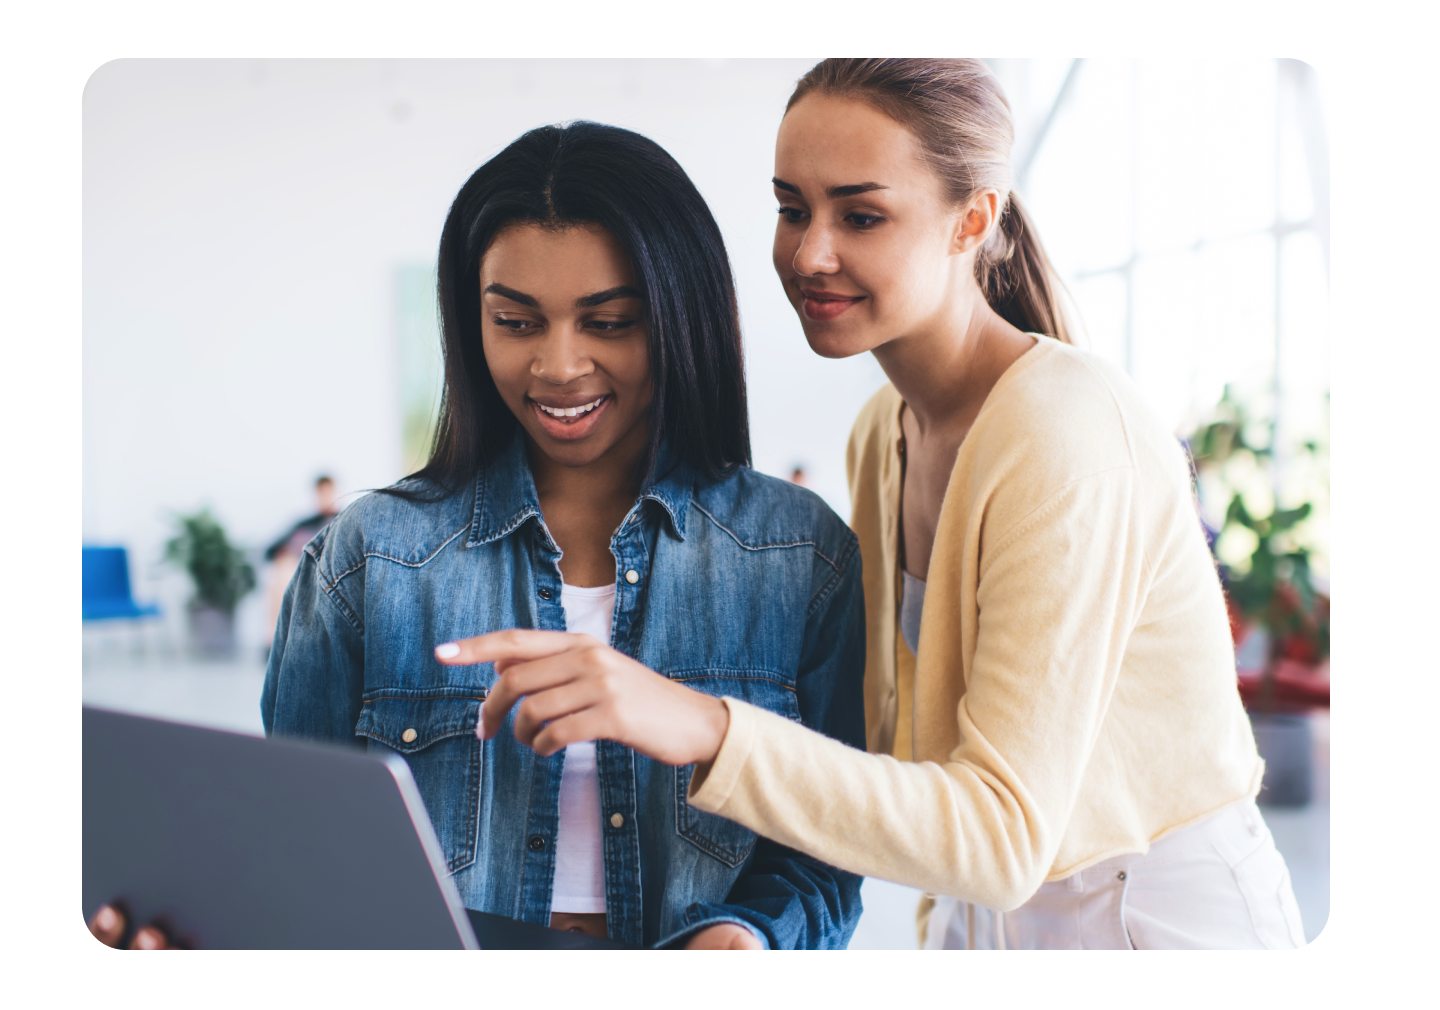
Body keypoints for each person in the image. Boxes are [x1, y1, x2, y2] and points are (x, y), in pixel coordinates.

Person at [461, 60, 1305, 950]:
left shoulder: (1068, 432)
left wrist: (701, 724)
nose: (809, 253)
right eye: (792, 209)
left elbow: (1003, 832)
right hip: (986, 917)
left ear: (971, 221)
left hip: (1155, 922)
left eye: (860, 216)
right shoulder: (886, 429)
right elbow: (905, 771)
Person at [261, 122, 864, 950]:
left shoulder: (804, 559)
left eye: (609, 322)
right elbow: (296, 845)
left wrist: (747, 939)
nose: (557, 366)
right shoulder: (367, 558)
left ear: (680, 319)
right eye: (515, 322)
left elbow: (827, 849)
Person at [263, 475, 340, 654]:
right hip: (300, 572)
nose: (325, 497)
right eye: (321, 492)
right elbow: (270, 551)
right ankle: (273, 641)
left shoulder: (344, 520)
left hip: (331, 571)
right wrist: (285, 553)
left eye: (328, 492)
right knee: (281, 570)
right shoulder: (302, 525)